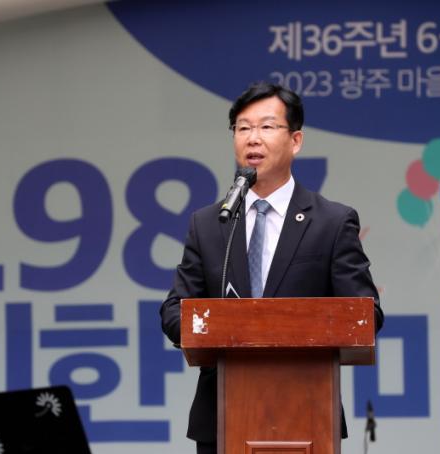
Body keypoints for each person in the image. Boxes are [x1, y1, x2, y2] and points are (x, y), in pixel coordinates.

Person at [160, 81, 384, 454]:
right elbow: (173, 311)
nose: (253, 138)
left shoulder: (331, 222)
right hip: (221, 419)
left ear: (295, 141)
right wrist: (225, 326)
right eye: (243, 128)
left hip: (307, 412)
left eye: (266, 126)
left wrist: (279, 324)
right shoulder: (210, 223)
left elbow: (365, 313)